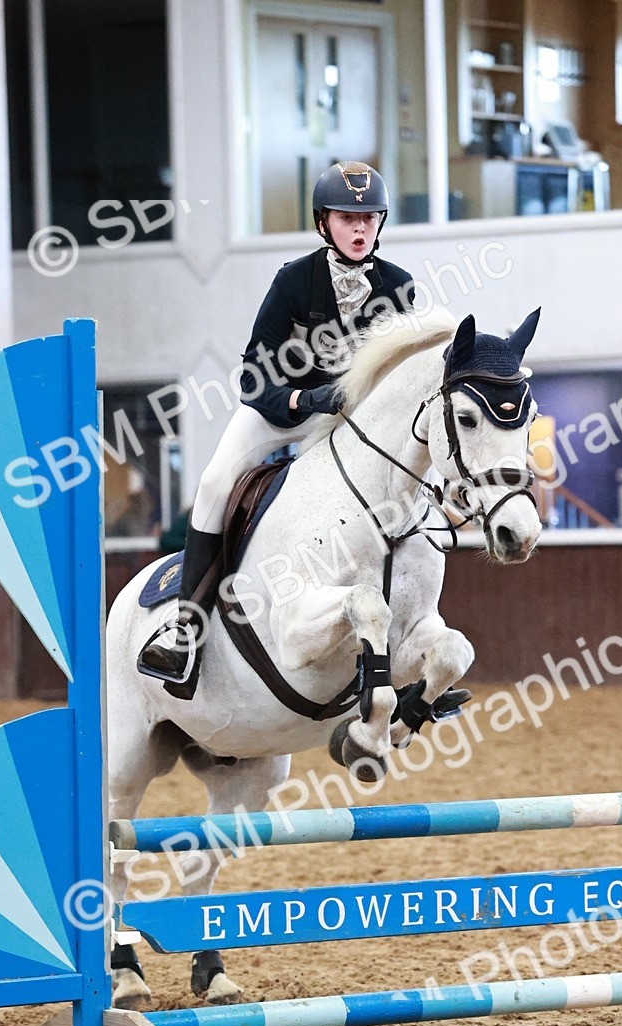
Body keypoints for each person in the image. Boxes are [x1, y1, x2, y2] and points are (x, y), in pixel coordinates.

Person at [138, 161, 415, 691]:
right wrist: (300, 398)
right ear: (323, 223)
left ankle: (406, 642)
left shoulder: (399, 287)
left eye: (368, 218)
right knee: (214, 482)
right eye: (347, 218)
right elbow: (252, 375)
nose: (359, 228)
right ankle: (185, 629)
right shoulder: (294, 280)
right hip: (280, 411)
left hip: (348, 425)